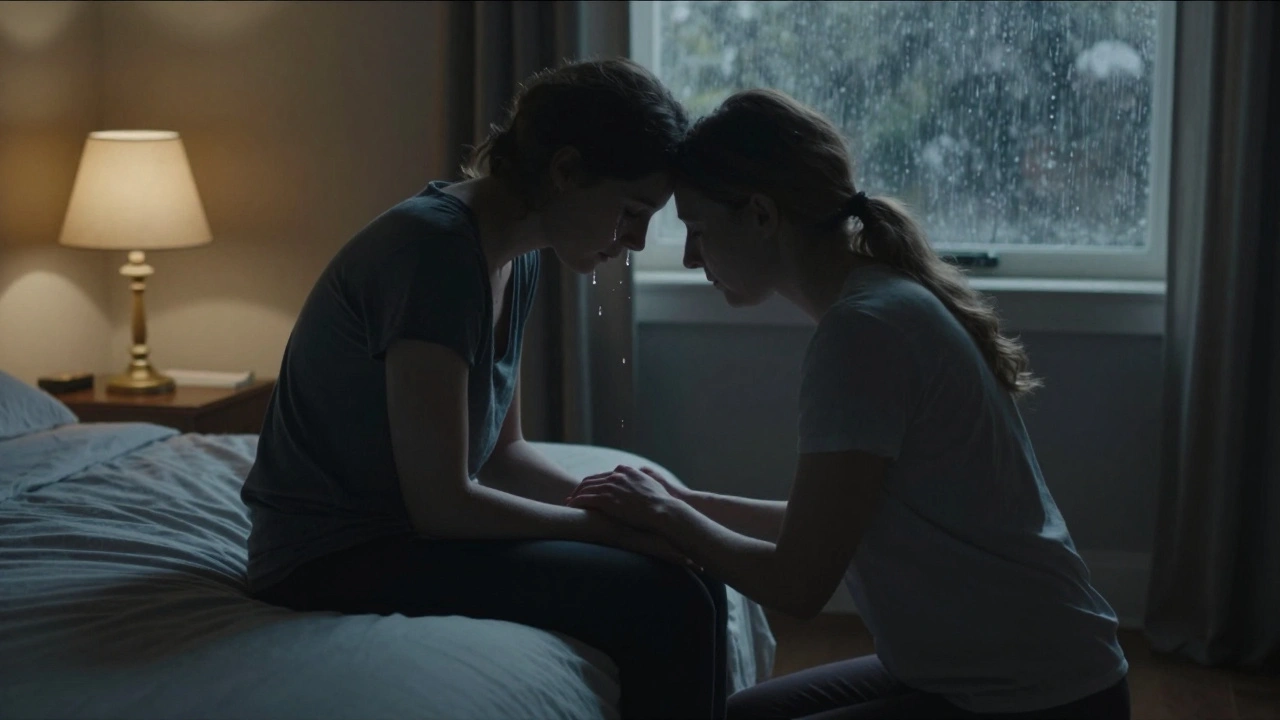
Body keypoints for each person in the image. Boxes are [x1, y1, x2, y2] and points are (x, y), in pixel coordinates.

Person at [567, 88, 1131, 720]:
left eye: (697, 230)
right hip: (1010, 668)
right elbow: (825, 523)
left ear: (760, 215)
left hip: (1039, 696)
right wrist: (681, 502)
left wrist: (670, 520)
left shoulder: (863, 333)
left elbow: (798, 584)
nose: (694, 256)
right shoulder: (880, 300)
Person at [241, 58, 727, 720]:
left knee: (693, 577)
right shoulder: (436, 252)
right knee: (663, 599)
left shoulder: (511, 256)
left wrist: (630, 514)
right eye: (632, 212)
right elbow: (442, 505)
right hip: (329, 555)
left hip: (402, 534)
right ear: (565, 171)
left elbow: (502, 454)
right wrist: (610, 534)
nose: (637, 241)